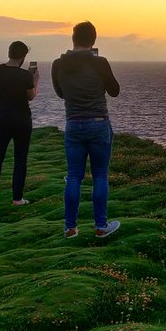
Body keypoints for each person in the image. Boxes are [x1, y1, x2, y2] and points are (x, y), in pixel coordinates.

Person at [51, 21, 120, 239]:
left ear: (73, 39)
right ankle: (101, 227)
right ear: (93, 40)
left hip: (73, 124)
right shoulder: (99, 62)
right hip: (98, 123)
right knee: (100, 176)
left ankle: (70, 228)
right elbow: (115, 91)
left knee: (73, 177)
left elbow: (61, 93)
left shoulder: (57, 64)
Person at [0, 40, 39, 208]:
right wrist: (35, 79)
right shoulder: (26, 76)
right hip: (22, 120)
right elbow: (30, 96)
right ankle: (17, 198)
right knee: (20, 160)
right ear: (23, 56)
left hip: (2, 119)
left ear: (9, 53)